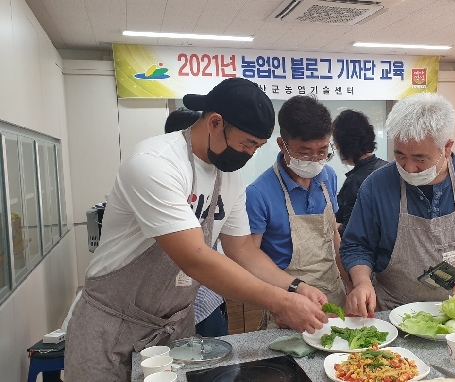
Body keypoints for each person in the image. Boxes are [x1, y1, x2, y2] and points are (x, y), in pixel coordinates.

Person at [64, 78, 329, 381]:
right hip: (112, 328)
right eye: (246, 144)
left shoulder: (229, 177)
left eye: (258, 147)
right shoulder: (154, 163)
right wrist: (280, 302)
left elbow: (242, 251)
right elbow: (195, 257)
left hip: (173, 330)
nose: (250, 155)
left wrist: (295, 287)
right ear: (215, 122)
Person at [340, 93, 455, 316]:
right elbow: (356, 245)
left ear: (447, 147)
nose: (408, 167)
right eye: (399, 155)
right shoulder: (376, 186)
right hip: (394, 310)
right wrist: (362, 282)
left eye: (420, 159)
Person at [246, 95, 351, 325]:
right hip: (289, 305)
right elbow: (249, 259)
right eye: (305, 152)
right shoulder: (259, 193)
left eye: (323, 151)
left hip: (334, 297)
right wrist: (282, 299)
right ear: (282, 145)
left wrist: (352, 285)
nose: (315, 159)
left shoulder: (328, 178)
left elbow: (333, 236)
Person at [165, 107, 229, 338]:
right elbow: (193, 255)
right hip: (165, 301)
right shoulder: (165, 174)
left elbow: (241, 248)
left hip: (208, 298)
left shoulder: (222, 177)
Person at [332, 109, 388, 237]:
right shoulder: (388, 168)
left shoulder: (355, 182)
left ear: (344, 145)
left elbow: (351, 230)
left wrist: (333, 227)